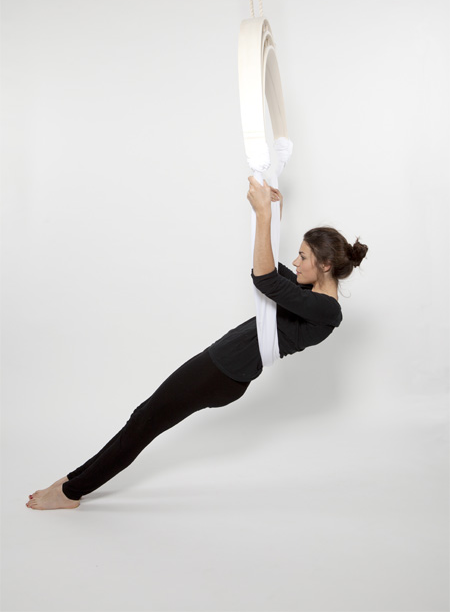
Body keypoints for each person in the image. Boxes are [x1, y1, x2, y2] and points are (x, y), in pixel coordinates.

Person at [26, 177, 368, 510]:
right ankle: (74, 480)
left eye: (303, 257)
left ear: (325, 265)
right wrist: (273, 215)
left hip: (223, 373)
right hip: (221, 367)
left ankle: (71, 493)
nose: (296, 262)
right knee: (142, 417)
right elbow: (267, 265)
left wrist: (265, 215)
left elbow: (266, 280)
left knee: (144, 424)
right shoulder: (308, 292)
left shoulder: (326, 311)